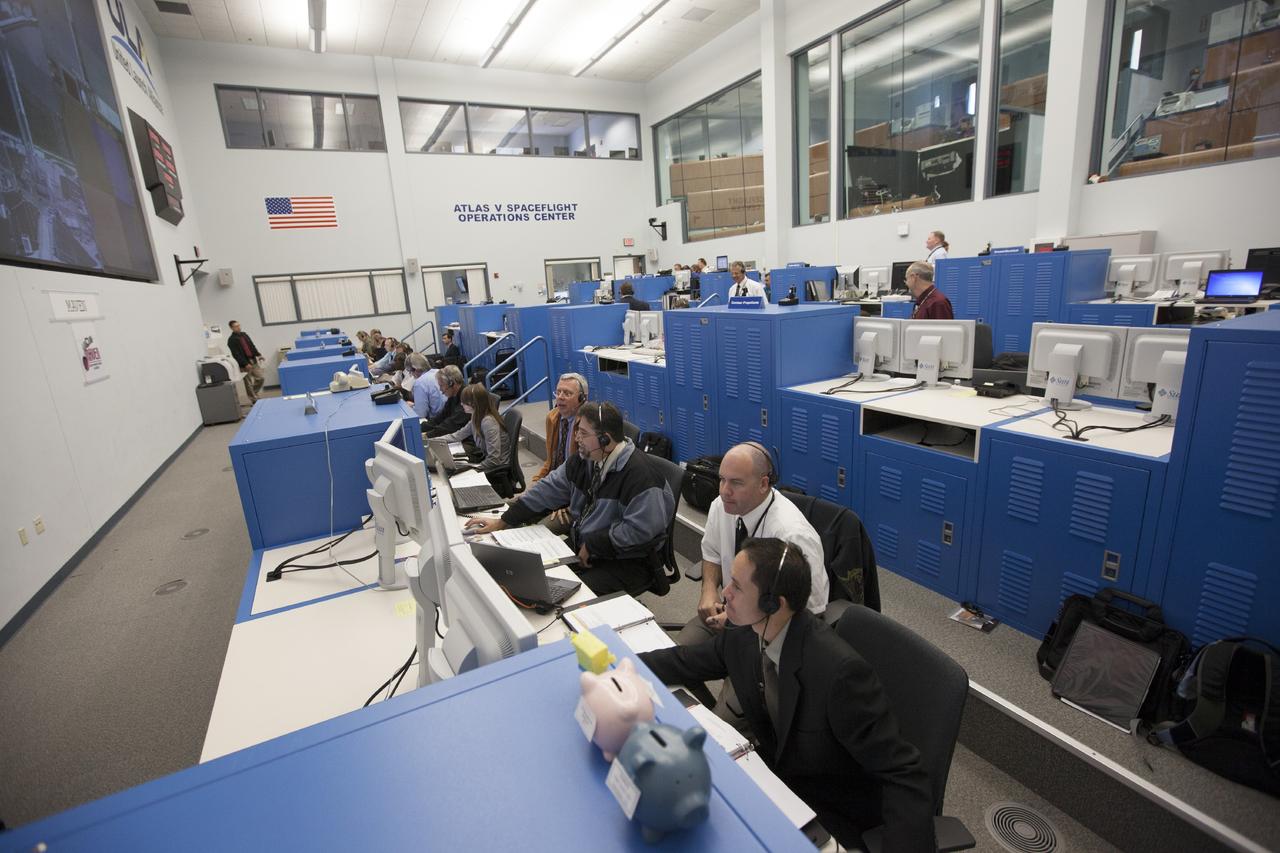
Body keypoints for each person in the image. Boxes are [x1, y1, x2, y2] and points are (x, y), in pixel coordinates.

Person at [639, 538, 935, 852]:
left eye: (737, 587)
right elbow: (684, 663)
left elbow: (902, 773)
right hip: (776, 784)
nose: (724, 594)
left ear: (773, 604)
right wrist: (617, 659)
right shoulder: (744, 634)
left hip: (830, 812)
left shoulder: (840, 674)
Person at [465, 402, 674, 596]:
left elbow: (640, 531)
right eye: (577, 432)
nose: (577, 439)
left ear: (605, 439)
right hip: (590, 550)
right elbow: (547, 490)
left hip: (628, 561)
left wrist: (593, 545)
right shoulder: (585, 461)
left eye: (583, 433)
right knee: (531, 579)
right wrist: (504, 521)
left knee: (563, 599)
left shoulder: (641, 477)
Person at [680, 443, 828, 650]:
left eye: (736, 483)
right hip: (728, 609)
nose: (724, 491)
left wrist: (741, 623)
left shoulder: (792, 535)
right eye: (722, 480)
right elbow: (712, 553)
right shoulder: (720, 507)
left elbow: (809, 610)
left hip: (770, 632)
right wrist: (709, 589)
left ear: (763, 484)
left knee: (736, 679)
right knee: (679, 652)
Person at [443, 383, 513, 496]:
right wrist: (432, 441)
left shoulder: (488, 422)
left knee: (457, 481)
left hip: (497, 468)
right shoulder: (476, 416)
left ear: (473, 403)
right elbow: (457, 436)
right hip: (488, 463)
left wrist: (473, 468)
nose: (461, 404)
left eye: (464, 402)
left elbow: (494, 459)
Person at [424, 365, 469, 437]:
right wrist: (420, 428)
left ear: (451, 383)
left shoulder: (467, 398)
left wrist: (427, 435)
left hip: (470, 441)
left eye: (441, 385)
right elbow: (441, 417)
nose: (440, 389)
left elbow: (451, 425)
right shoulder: (453, 396)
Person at [227, 320, 264, 402]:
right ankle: (254, 399)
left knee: (261, 378)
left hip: (253, 360)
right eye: (236, 326)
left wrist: (259, 354)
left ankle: (254, 393)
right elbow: (236, 354)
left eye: (239, 325)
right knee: (248, 383)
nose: (238, 327)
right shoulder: (231, 340)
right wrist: (245, 363)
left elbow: (252, 346)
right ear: (231, 328)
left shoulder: (244, 335)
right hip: (244, 364)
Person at [407, 353, 446, 421]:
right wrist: (415, 406)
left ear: (415, 369)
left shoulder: (419, 383)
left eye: (410, 372)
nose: (411, 375)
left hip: (437, 420)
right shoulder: (439, 372)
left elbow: (421, 414)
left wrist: (410, 408)